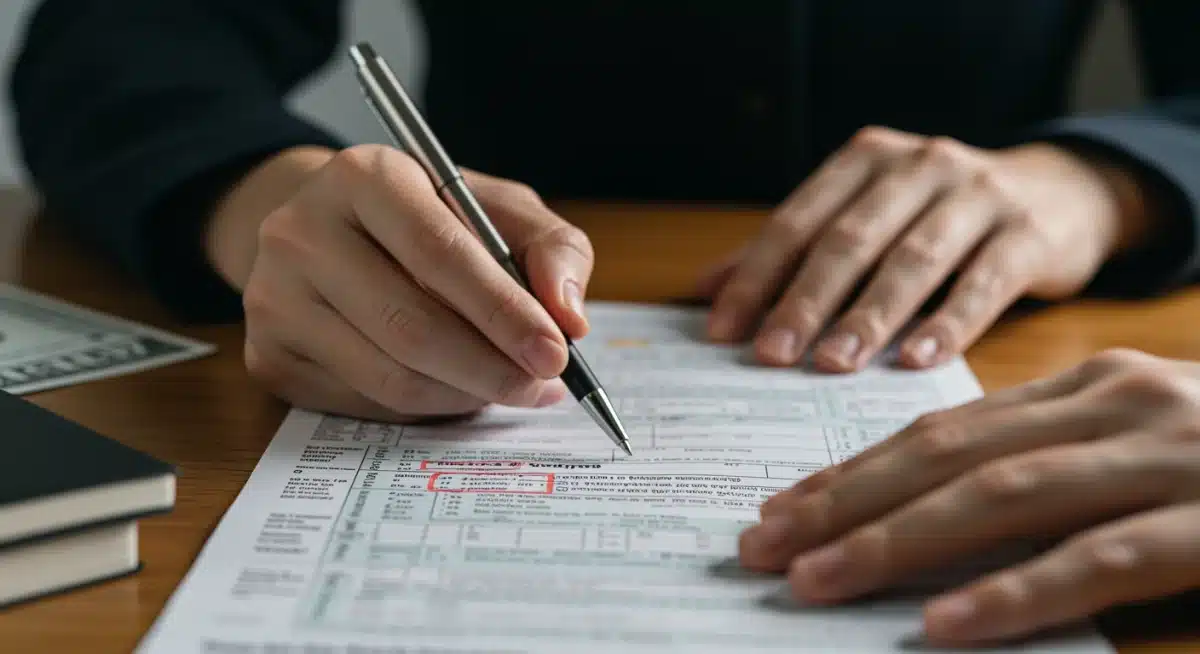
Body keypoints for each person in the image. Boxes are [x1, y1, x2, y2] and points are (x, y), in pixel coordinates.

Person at [7, 0, 1199, 647]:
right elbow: (121, 34)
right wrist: (257, 193)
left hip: (996, 307)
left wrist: (1111, 179)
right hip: (456, 274)